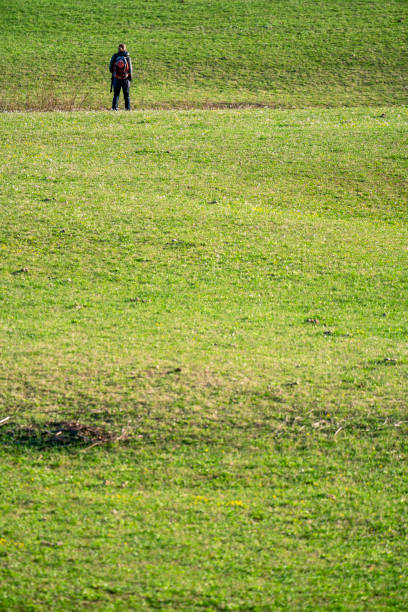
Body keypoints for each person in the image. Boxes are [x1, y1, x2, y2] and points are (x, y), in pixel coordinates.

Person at [109, 43, 132, 111]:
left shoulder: (115, 56)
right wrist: (130, 77)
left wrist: (114, 74)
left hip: (116, 78)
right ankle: (127, 108)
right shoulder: (127, 57)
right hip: (125, 79)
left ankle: (114, 108)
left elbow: (110, 68)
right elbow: (130, 69)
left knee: (116, 95)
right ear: (125, 48)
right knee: (126, 95)